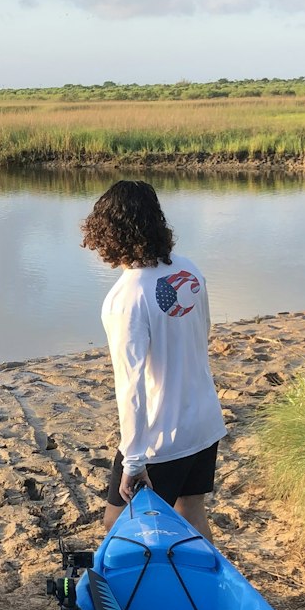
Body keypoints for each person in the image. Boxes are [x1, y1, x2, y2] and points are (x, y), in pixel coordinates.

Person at [81, 180, 226, 540]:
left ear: (108, 232)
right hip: (204, 420)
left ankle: (147, 595)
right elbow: (202, 334)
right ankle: (203, 591)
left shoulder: (126, 297)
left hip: (163, 438)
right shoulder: (188, 270)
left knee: (119, 525)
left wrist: (133, 462)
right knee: (191, 515)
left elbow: (130, 385)